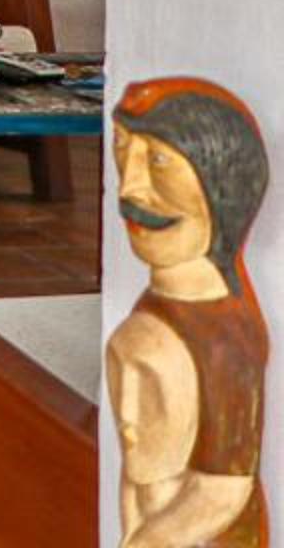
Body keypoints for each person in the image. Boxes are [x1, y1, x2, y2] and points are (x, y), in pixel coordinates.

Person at [110, 77, 270, 548]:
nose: (128, 187)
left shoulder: (223, 337)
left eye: (158, 160)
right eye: (122, 147)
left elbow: (223, 490)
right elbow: (136, 473)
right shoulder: (160, 302)